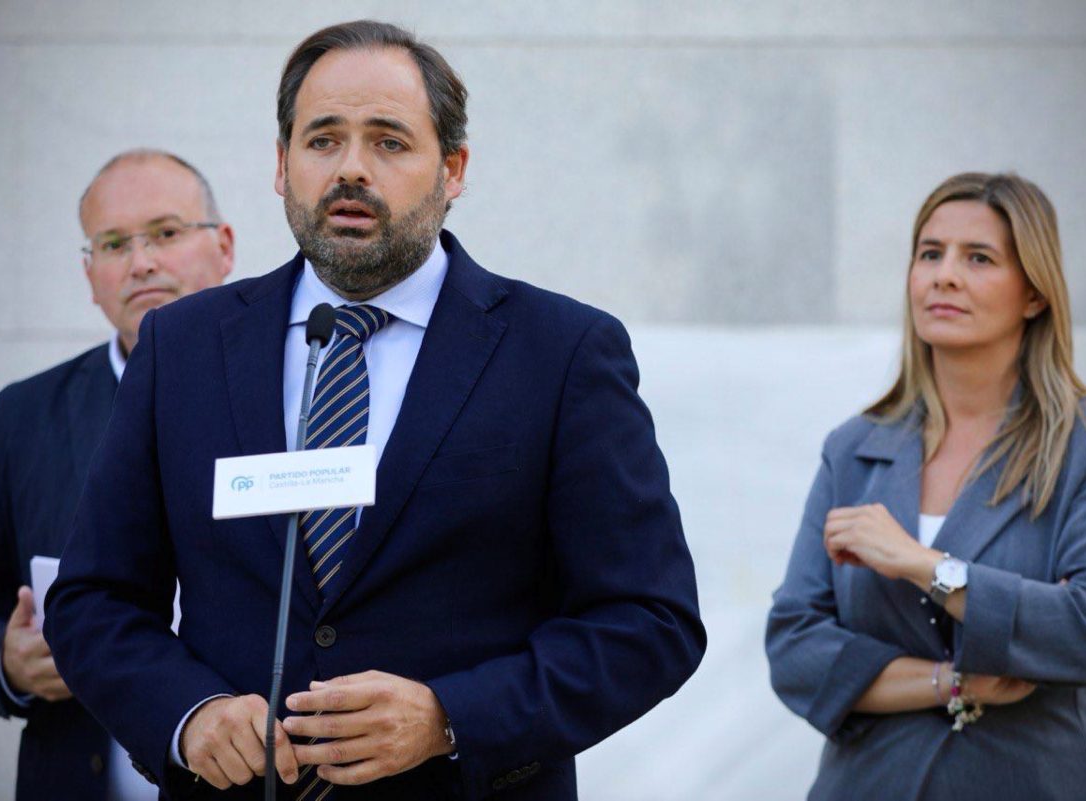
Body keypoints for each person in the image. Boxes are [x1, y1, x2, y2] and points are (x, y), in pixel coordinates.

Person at [44, 19, 705, 801]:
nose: (351, 168)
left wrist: (448, 716)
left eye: (389, 141)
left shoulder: (560, 352)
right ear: (282, 165)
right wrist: (189, 715)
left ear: (453, 169)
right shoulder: (181, 349)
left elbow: (648, 621)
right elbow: (94, 600)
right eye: (323, 140)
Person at [766, 172, 1086, 799]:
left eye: (978, 258)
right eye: (930, 253)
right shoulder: (854, 449)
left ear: (1035, 295)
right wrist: (954, 682)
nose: (945, 275)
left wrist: (923, 564)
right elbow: (794, 650)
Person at [0, 149, 235, 801]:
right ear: (90, 273)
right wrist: (9, 662)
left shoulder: (300, 390)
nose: (142, 261)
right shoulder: (26, 414)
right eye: (114, 243)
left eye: (166, 232)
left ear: (225, 248)